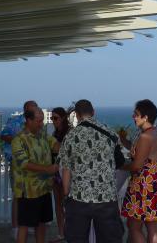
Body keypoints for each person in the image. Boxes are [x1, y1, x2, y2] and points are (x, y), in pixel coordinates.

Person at [59, 99, 124, 243]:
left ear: (76, 115)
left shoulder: (70, 137)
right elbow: (120, 161)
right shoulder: (110, 133)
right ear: (93, 112)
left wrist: (65, 194)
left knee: (76, 239)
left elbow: (66, 169)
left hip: (79, 197)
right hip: (106, 197)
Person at [121, 99, 157, 243]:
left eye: (136, 114)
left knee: (133, 226)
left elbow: (137, 165)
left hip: (143, 185)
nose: (133, 117)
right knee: (153, 228)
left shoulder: (145, 137)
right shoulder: (155, 134)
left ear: (145, 117)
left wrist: (121, 166)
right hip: (155, 183)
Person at [11, 107, 59, 243]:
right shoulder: (18, 140)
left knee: (42, 223)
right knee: (24, 226)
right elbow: (24, 163)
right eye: (39, 121)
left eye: (42, 120)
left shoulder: (42, 135)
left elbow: (56, 145)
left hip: (44, 189)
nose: (41, 124)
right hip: (28, 191)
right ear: (29, 120)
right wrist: (47, 169)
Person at [1, 100, 38, 238]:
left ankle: (29, 224)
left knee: (32, 195)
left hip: (33, 164)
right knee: (18, 196)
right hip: (17, 163)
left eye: (35, 108)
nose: (33, 111)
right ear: (25, 109)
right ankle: (16, 227)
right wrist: (19, 140)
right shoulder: (14, 121)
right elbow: (3, 135)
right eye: (31, 108)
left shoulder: (38, 123)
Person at [50, 107, 71, 243]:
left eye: (55, 118)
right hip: (55, 171)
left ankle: (69, 232)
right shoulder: (54, 133)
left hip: (66, 171)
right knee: (58, 203)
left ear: (63, 118)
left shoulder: (70, 132)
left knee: (67, 203)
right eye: (52, 118)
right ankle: (61, 233)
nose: (53, 121)